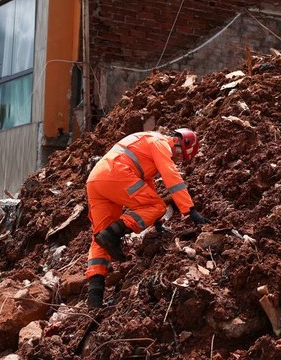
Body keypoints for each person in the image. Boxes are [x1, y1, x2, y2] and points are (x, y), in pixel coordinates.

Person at [85, 128, 211, 307]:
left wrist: (157, 222)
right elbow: (171, 176)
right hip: (116, 173)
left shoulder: (146, 145)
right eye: (181, 156)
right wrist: (189, 210)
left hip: (97, 180)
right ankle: (113, 233)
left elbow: (147, 188)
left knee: (99, 238)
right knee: (157, 206)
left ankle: (94, 300)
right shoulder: (160, 143)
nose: (178, 160)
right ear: (180, 143)